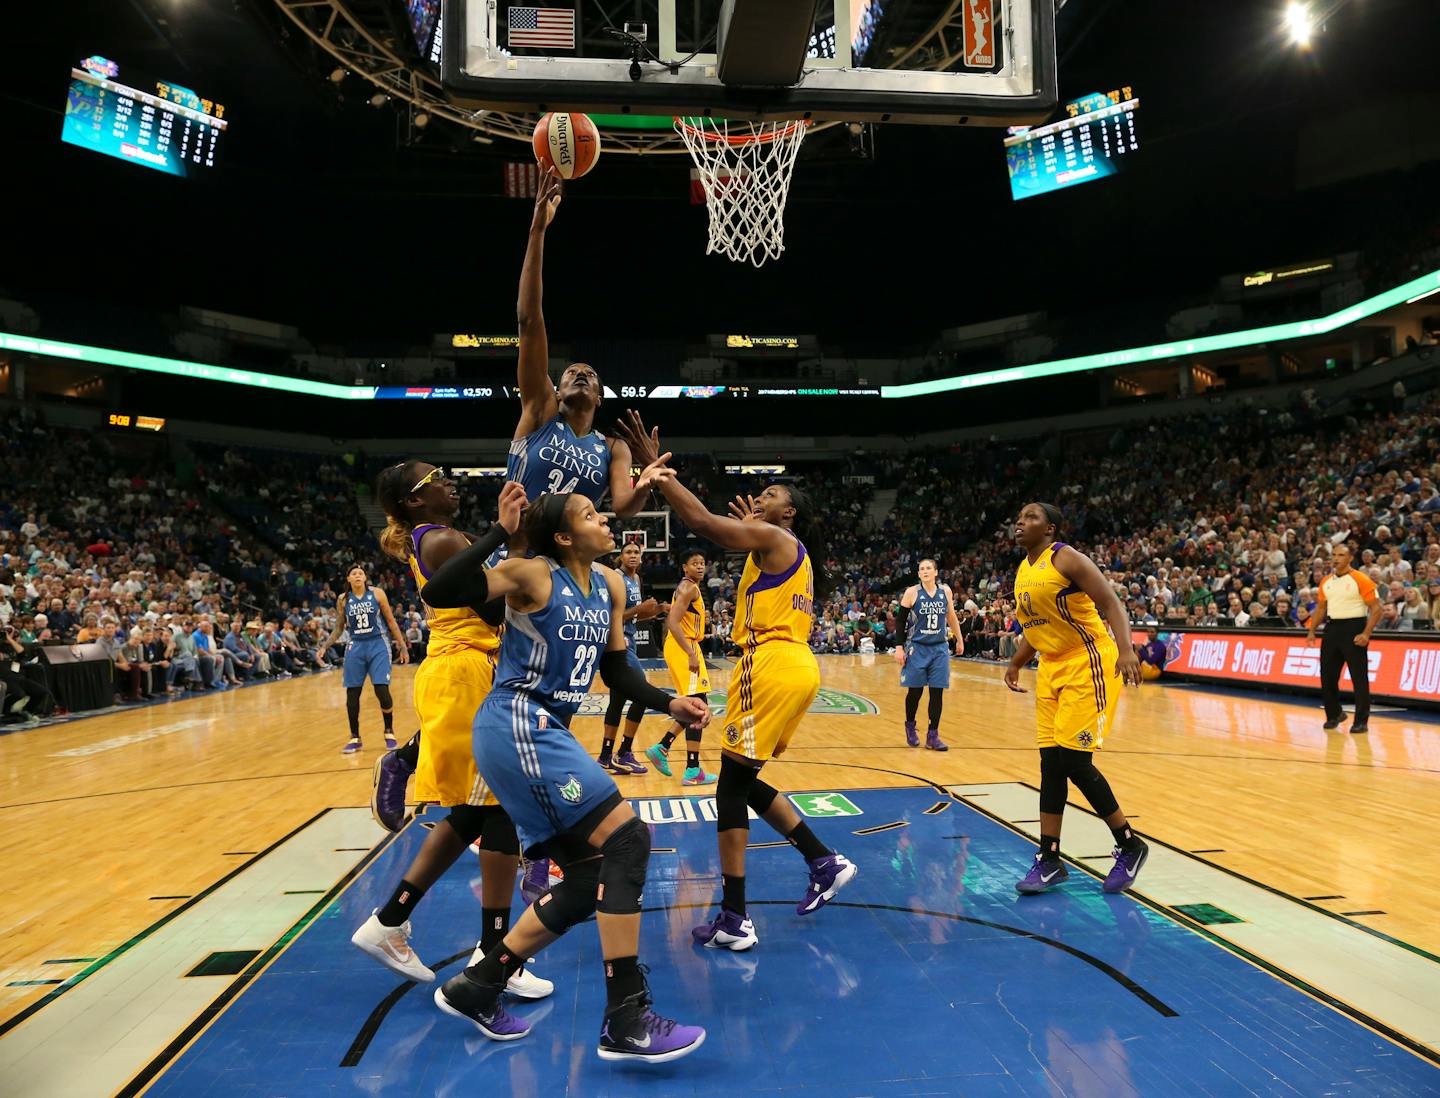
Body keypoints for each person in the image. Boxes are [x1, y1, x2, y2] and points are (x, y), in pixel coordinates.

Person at [427, 489, 708, 1062]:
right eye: (588, 514)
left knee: (589, 876)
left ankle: (478, 985)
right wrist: (498, 535)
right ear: (561, 536)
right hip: (515, 722)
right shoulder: (531, 574)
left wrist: (666, 702)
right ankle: (625, 1017)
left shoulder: (609, 585)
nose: (603, 518)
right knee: (629, 839)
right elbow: (440, 590)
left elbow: (615, 668)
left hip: (541, 730)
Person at [621, 411, 856, 952]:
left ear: (787, 512)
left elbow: (702, 523)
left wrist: (660, 473)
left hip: (771, 664)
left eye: (771, 492)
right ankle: (823, 860)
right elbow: (739, 539)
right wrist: (751, 532)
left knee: (730, 788)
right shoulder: (777, 548)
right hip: (792, 665)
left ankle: (736, 916)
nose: (761, 496)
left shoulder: (775, 536)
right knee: (742, 782)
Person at [351, 468, 551, 1000]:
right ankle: (489, 953)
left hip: (467, 671)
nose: (453, 482)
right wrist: (522, 553)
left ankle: (398, 923)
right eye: (440, 478)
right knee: (498, 809)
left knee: (477, 813)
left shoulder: (442, 537)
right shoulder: (441, 538)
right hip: (463, 672)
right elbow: (490, 606)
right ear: (415, 502)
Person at [1004, 502, 1148, 895]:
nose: (1021, 522)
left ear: (1050, 529)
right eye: (1019, 517)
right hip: (1051, 667)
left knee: (1073, 760)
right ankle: (1049, 859)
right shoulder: (1023, 571)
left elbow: (1110, 603)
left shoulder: (1066, 558)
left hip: (1088, 661)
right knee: (1051, 761)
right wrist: (1018, 662)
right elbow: (1036, 627)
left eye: (1031, 517)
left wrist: (1127, 648)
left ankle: (1129, 843)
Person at [319, 565, 409, 754]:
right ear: (348, 579)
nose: (358, 576)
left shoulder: (377, 594)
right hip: (356, 646)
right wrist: (325, 646)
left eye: (361, 573)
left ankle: (389, 731)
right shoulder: (343, 599)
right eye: (354, 574)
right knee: (352, 694)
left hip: (378, 644)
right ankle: (355, 737)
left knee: (381, 690)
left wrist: (402, 645)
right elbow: (339, 627)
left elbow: (391, 621)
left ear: (365, 577)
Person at [644, 549, 716, 785]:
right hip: (684, 646)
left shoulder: (685, 587)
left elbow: (675, 613)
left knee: (695, 704)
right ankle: (692, 770)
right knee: (698, 705)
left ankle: (663, 747)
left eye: (703, 562)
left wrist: (666, 606)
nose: (700, 566)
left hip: (684, 644)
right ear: (685, 567)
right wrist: (690, 653)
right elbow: (673, 622)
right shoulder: (689, 588)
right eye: (694, 563)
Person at [596, 541, 662, 776]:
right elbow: (611, 616)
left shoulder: (636, 580)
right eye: (628, 552)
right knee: (641, 693)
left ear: (641, 557)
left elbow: (634, 618)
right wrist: (638, 610)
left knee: (618, 700)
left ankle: (605, 756)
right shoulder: (615, 577)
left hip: (630, 642)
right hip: (617, 644)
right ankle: (624, 752)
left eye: (636, 552)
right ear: (621, 557)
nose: (633, 556)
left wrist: (654, 611)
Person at [1306, 544, 1382, 734]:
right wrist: (1311, 631)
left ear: (1350, 559)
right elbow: (1321, 609)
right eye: (1333, 555)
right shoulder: (1326, 581)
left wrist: (1366, 633)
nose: (1336, 558)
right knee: (1327, 675)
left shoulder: (1360, 579)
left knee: (1359, 677)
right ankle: (1334, 714)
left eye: (1341, 555)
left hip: (1354, 627)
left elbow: (1377, 608)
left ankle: (1361, 721)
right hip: (1332, 629)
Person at [894, 558, 962, 751]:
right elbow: (900, 622)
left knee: (937, 692)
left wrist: (959, 638)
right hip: (917, 647)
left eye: (928, 568)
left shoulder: (945, 591)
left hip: (939, 648)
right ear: (918, 574)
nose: (925, 571)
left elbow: (951, 616)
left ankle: (933, 735)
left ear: (935, 572)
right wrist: (899, 647)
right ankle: (910, 726)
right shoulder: (912, 593)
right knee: (915, 692)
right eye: (921, 568)